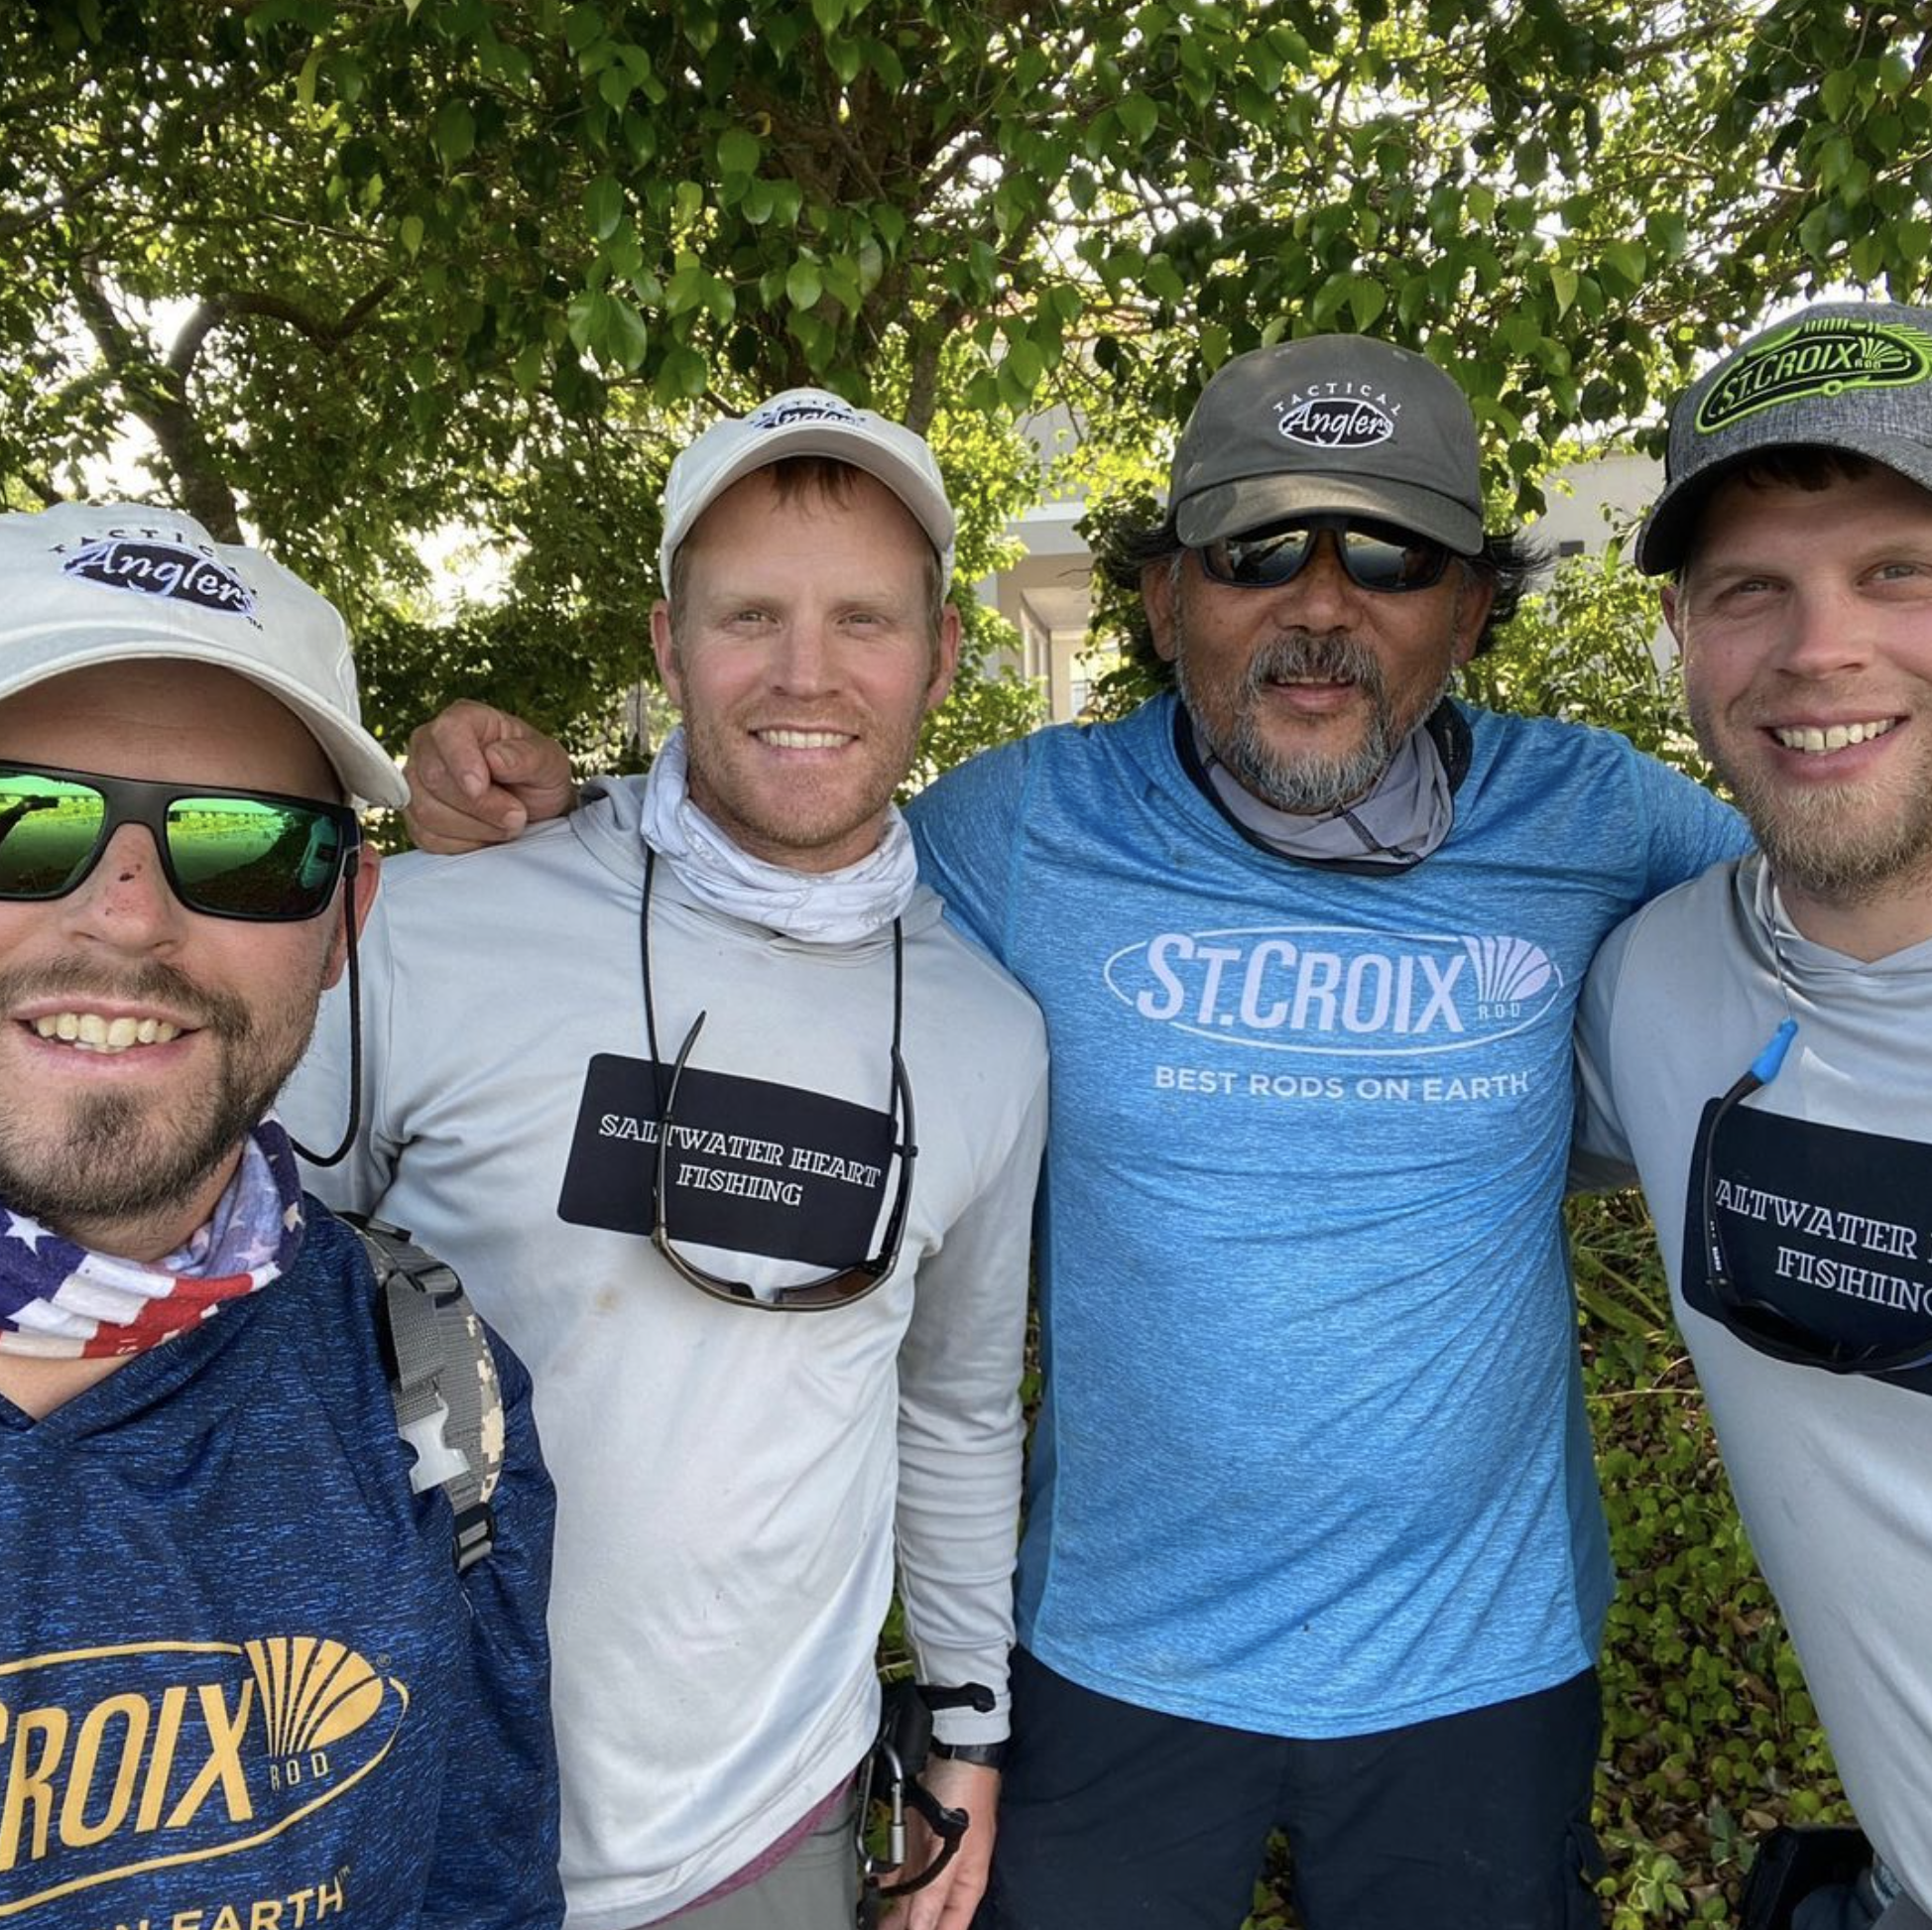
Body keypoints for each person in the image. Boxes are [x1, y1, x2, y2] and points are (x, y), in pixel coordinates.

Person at [401, 337, 1747, 1930]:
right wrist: (555, 829)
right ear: (1167, 597)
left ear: (1470, 607)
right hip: (1116, 1658)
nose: (1321, 607)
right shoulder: (1025, 826)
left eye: (1387, 555)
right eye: (1258, 552)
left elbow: (1838, 934)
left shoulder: (1607, 823)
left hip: (1481, 1665)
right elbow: (780, 852)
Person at [283, 391, 1050, 1930]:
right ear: (666, 640)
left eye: (865, 620)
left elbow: (954, 1408)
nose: (806, 672)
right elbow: (231, 1307)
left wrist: (967, 1724)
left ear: (946, 651)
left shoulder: (987, 1032)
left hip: (761, 1836)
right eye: (748, 615)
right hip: (388, 1808)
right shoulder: (435, 927)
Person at [0, 503, 561, 1928]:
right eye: (25, 820)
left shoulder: (441, 1384)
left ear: (343, 922)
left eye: (246, 848)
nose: (125, 912)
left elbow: (479, 1891)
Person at [1575, 300, 1932, 1930]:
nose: (1818, 649)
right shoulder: (1653, 985)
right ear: (1685, 635)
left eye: (1894, 572)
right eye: (1749, 591)